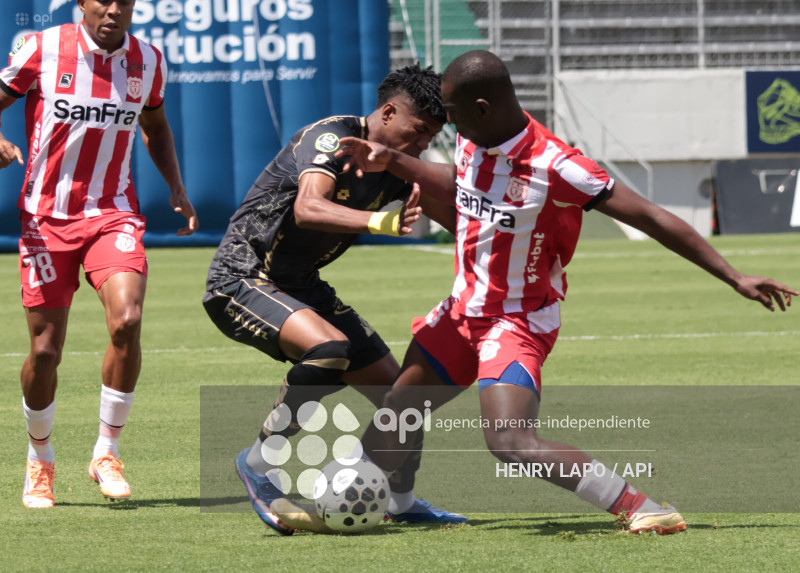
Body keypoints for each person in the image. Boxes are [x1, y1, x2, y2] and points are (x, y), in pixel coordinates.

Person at [272, 50, 797, 535]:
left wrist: (734, 276)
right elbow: (462, 182)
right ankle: (353, 505)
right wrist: (395, 163)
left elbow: (654, 217)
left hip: (516, 322)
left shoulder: (559, 166)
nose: (445, 124)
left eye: (452, 113)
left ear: (481, 106)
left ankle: (642, 507)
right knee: (398, 413)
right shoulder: (473, 138)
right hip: (461, 312)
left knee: (509, 441)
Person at [202, 63, 466, 535]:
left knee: (403, 400)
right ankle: (259, 462)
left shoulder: (398, 168)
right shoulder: (333, 138)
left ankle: (401, 501)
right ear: (388, 113)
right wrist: (381, 223)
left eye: (430, 137)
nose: (422, 144)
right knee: (328, 349)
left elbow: (460, 221)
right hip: (243, 277)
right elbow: (308, 208)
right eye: (418, 131)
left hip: (301, 284)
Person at [0, 0, 198, 509]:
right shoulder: (42, 49)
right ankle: (39, 459)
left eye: (125, 2)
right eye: (103, 0)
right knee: (45, 351)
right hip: (45, 219)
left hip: (113, 214)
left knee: (127, 320)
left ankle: (106, 453)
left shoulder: (149, 60)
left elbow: (155, 128)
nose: (113, 10)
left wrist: (176, 187)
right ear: (82, 3)